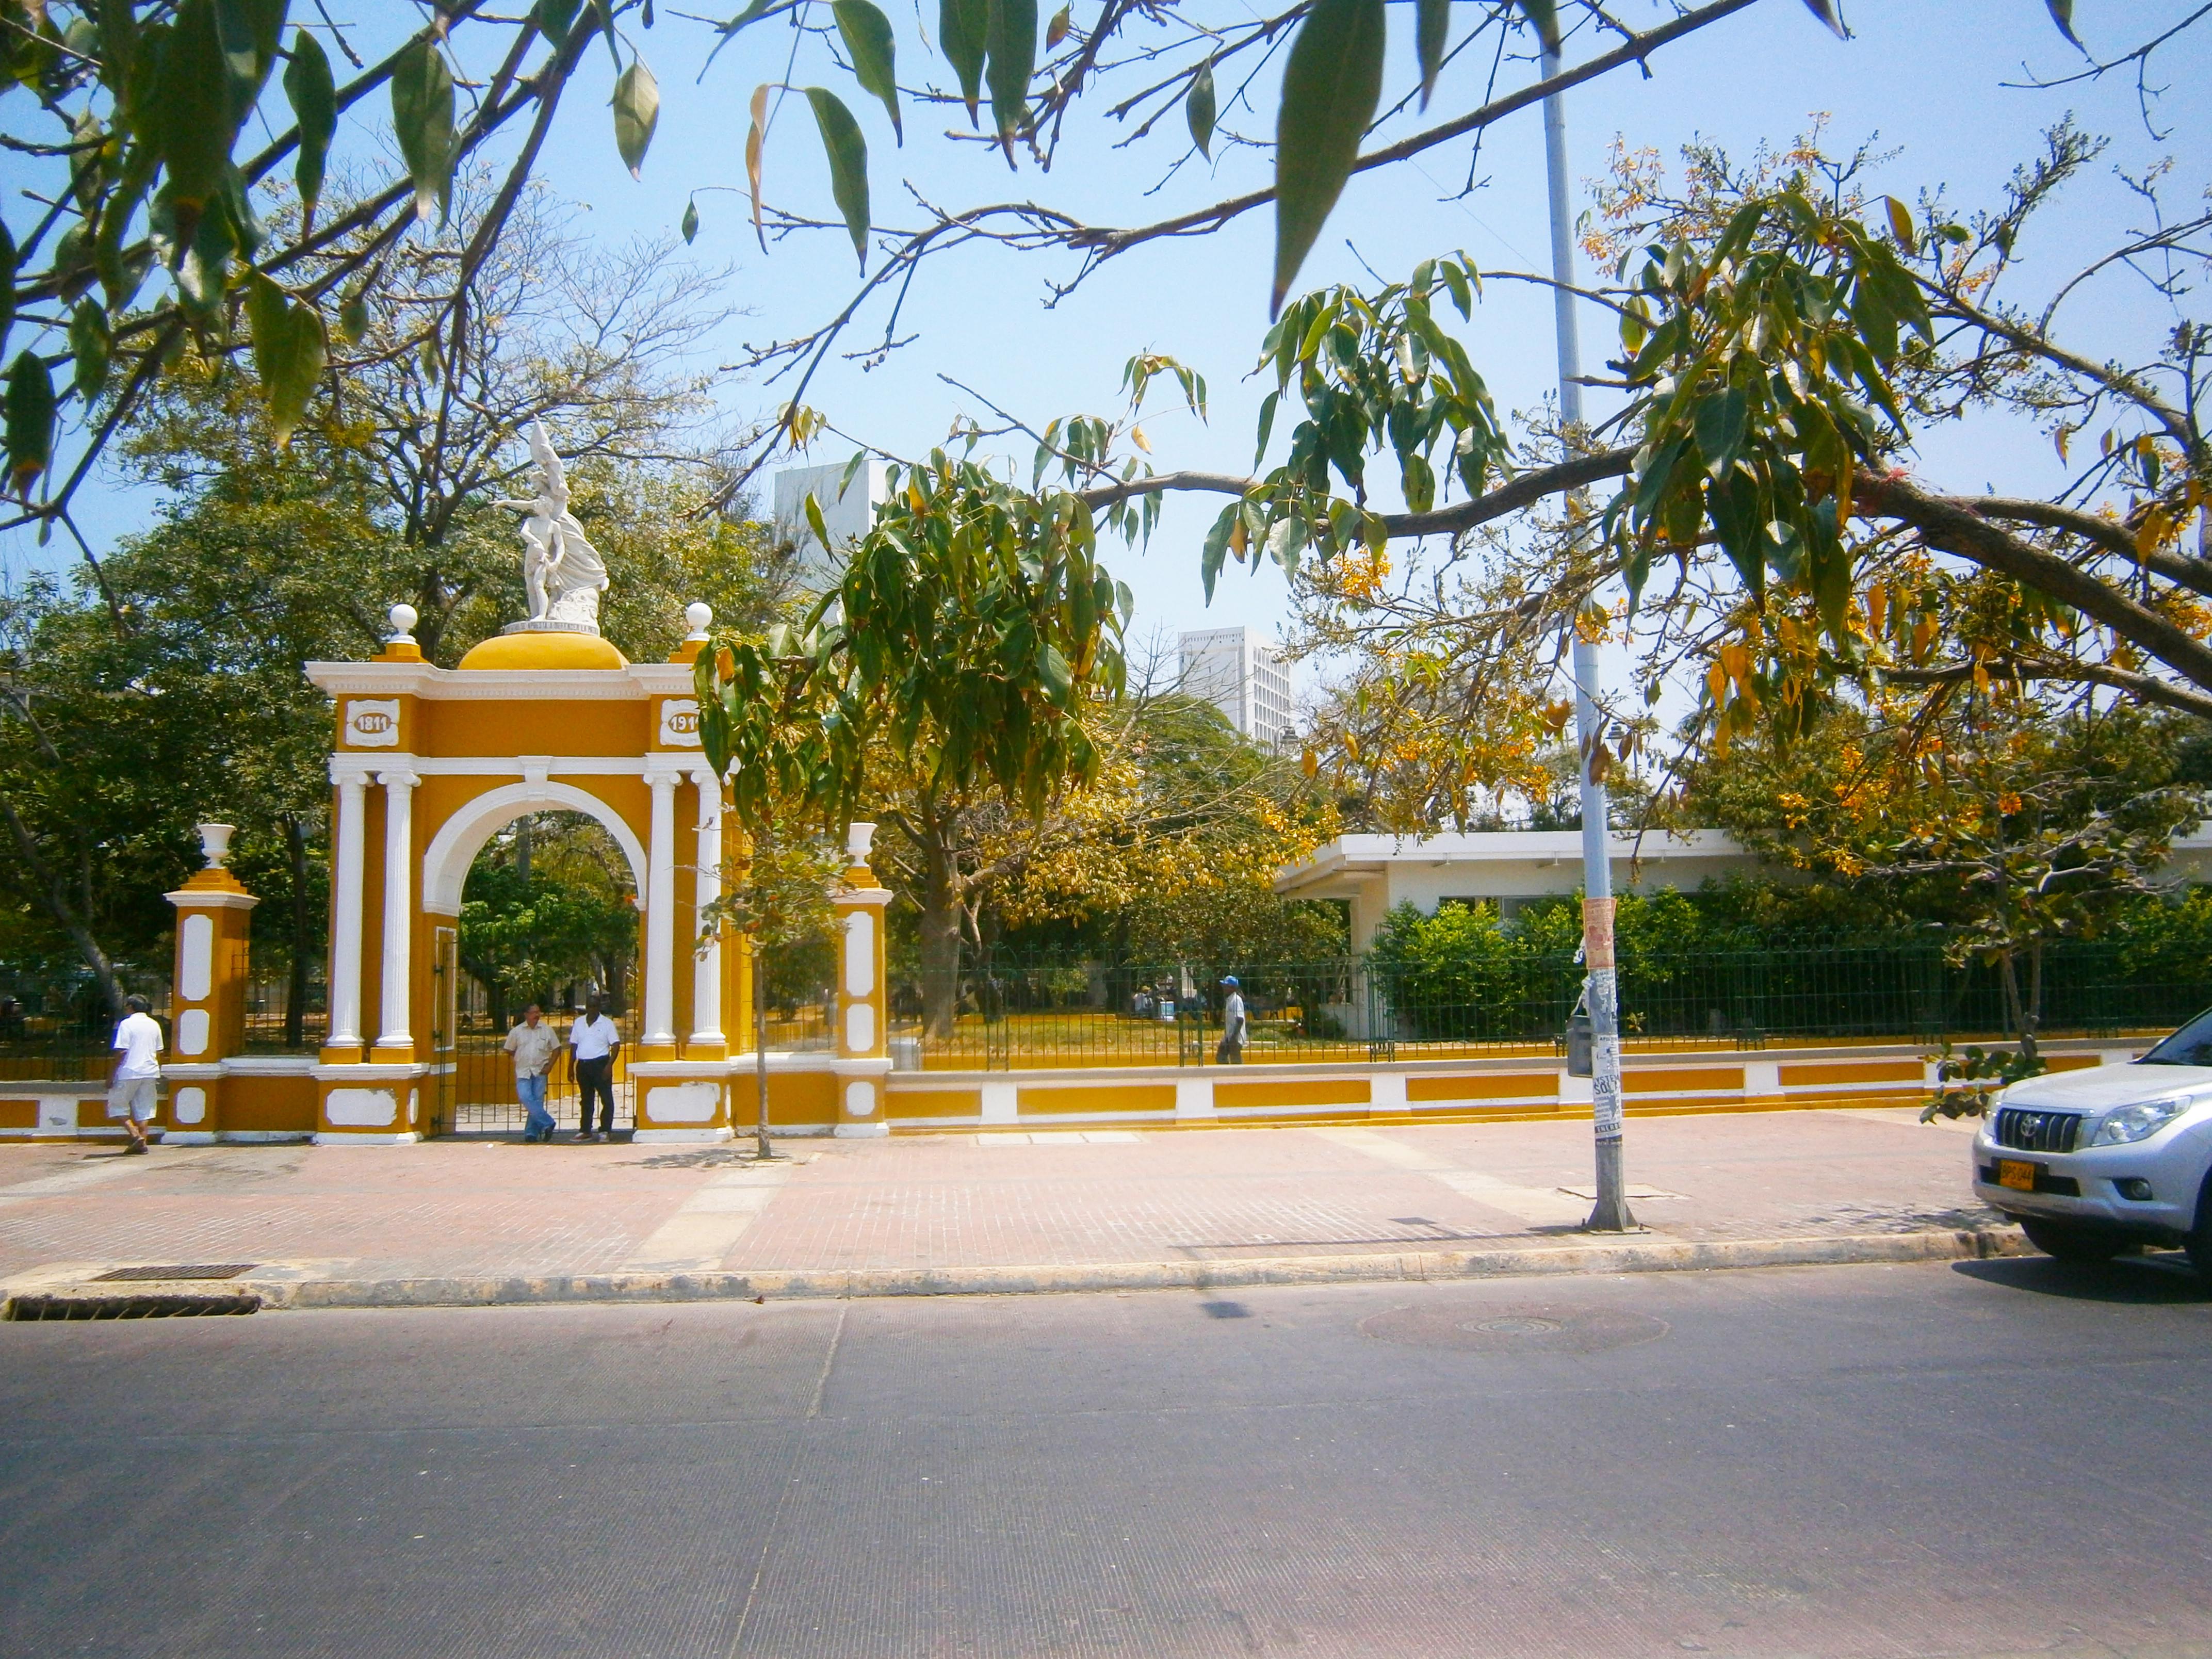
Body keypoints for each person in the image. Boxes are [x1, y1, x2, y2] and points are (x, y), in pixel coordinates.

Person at [107, 995, 164, 1152]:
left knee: (117, 1106)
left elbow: (122, 1051)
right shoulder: (154, 1025)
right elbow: (160, 1052)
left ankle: (135, 1134)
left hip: (129, 1072)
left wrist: (111, 1074)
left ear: (130, 1007)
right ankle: (143, 1143)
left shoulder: (127, 1024)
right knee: (145, 1109)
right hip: (150, 1071)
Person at [503, 1004, 561, 1143]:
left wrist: (550, 1066)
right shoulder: (517, 1032)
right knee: (525, 1097)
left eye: (538, 1012)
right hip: (523, 1071)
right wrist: (521, 1057)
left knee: (537, 1102)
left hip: (540, 1071)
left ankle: (531, 1133)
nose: (537, 1015)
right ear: (526, 1014)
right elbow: (509, 1049)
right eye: (533, 1013)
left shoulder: (547, 1030)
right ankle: (548, 1123)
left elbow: (557, 1049)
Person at [570, 995, 621, 1143]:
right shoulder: (579, 1023)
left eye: (595, 1006)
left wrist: (609, 1066)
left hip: (600, 1064)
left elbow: (616, 1045)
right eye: (589, 1006)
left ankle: (605, 1130)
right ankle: (585, 1130)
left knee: (606, 1099)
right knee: (586, 1099)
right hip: (583, 1065)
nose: (592, 1009)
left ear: (599, 1007)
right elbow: (574, 1045)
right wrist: (570, 1067)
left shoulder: (607, 1024)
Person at [1215, 975, 1248, 1065]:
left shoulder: (1236, 1000)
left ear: (1232, 988)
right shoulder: (1229, 1000)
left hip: (1236, 1037)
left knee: (1236, 1061)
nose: (1224, 988)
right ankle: (1226, 1074)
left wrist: (1233, 1037)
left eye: (1226, 986)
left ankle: (1240, 1077)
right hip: (1229, 1036)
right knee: (1221, 1056)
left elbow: (1240, 1020)